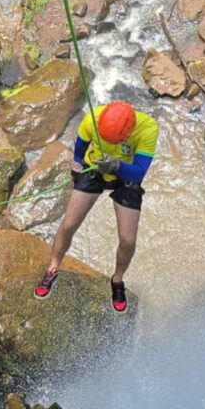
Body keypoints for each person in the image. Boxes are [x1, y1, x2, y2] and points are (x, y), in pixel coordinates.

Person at [34, 101, 158, 313]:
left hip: (125, 175)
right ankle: (53, 267)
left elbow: (138, 172)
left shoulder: (148, 128)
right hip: (95, 167)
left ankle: (117, 280)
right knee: (69, 224)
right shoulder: (93, 117)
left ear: (127, 133)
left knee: (128, 240)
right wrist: (76, 163)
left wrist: (117, 165)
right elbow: (81, 146)